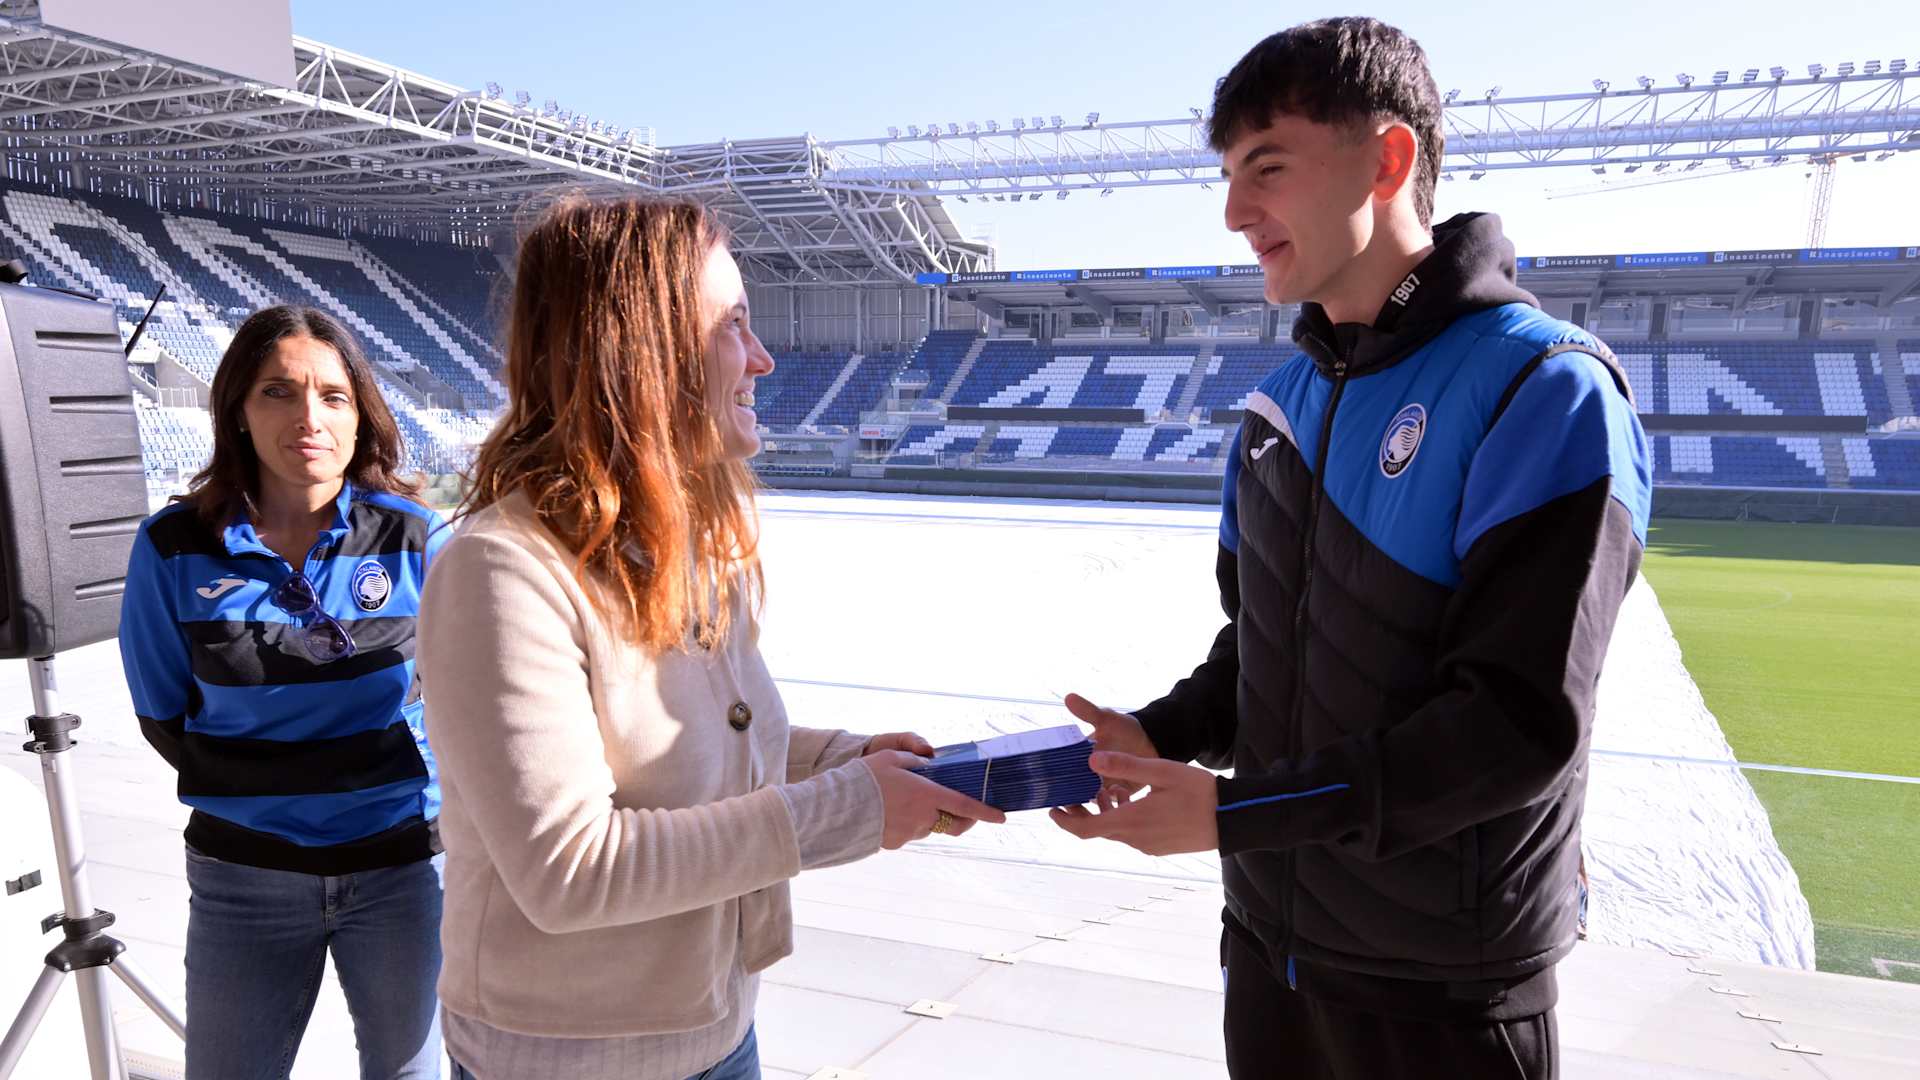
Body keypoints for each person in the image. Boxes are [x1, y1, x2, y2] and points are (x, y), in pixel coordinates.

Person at [1050, 18, 1652, 1079]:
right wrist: (1157, 732)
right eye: (1229, 177)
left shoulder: (1545, 388)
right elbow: (1261, 653)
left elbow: (1515, 729)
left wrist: (1237, 814)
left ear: (1387, 159)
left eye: (1268, 168)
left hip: (1442, 998)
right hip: (1269, 961)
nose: (1235, 213)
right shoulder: (1277, 407)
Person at [415, 193, 1004, 1080]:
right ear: (641, 354)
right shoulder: (500, 572)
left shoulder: (680, 549)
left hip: (719, 1032)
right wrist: (854, 806)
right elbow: (570, 870)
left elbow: (693, 752)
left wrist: (850, 760)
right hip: (567, 1060)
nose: (763, 358)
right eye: (733, 325)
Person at [119, 306, 450, 1079]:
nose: (309, 416)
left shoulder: (419, 540)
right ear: (238, 409)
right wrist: (264, 794)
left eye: (333, 395)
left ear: (361, 415)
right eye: (278, 391)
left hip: (402, 872)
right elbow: (162, 712)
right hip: (243, 878)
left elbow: (462, 707)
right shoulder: (172, 546)